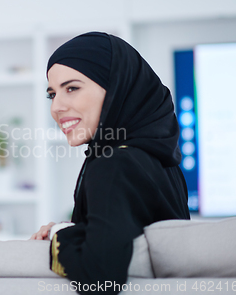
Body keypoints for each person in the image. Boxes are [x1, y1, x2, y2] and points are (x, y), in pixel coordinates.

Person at [30, 32, 190, 293]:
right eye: (52, 94)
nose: (56, 107)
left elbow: (100, 278)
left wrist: (58, 234)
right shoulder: (160, 160)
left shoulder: (114, 164)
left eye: (72, 88)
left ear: (117, 87)